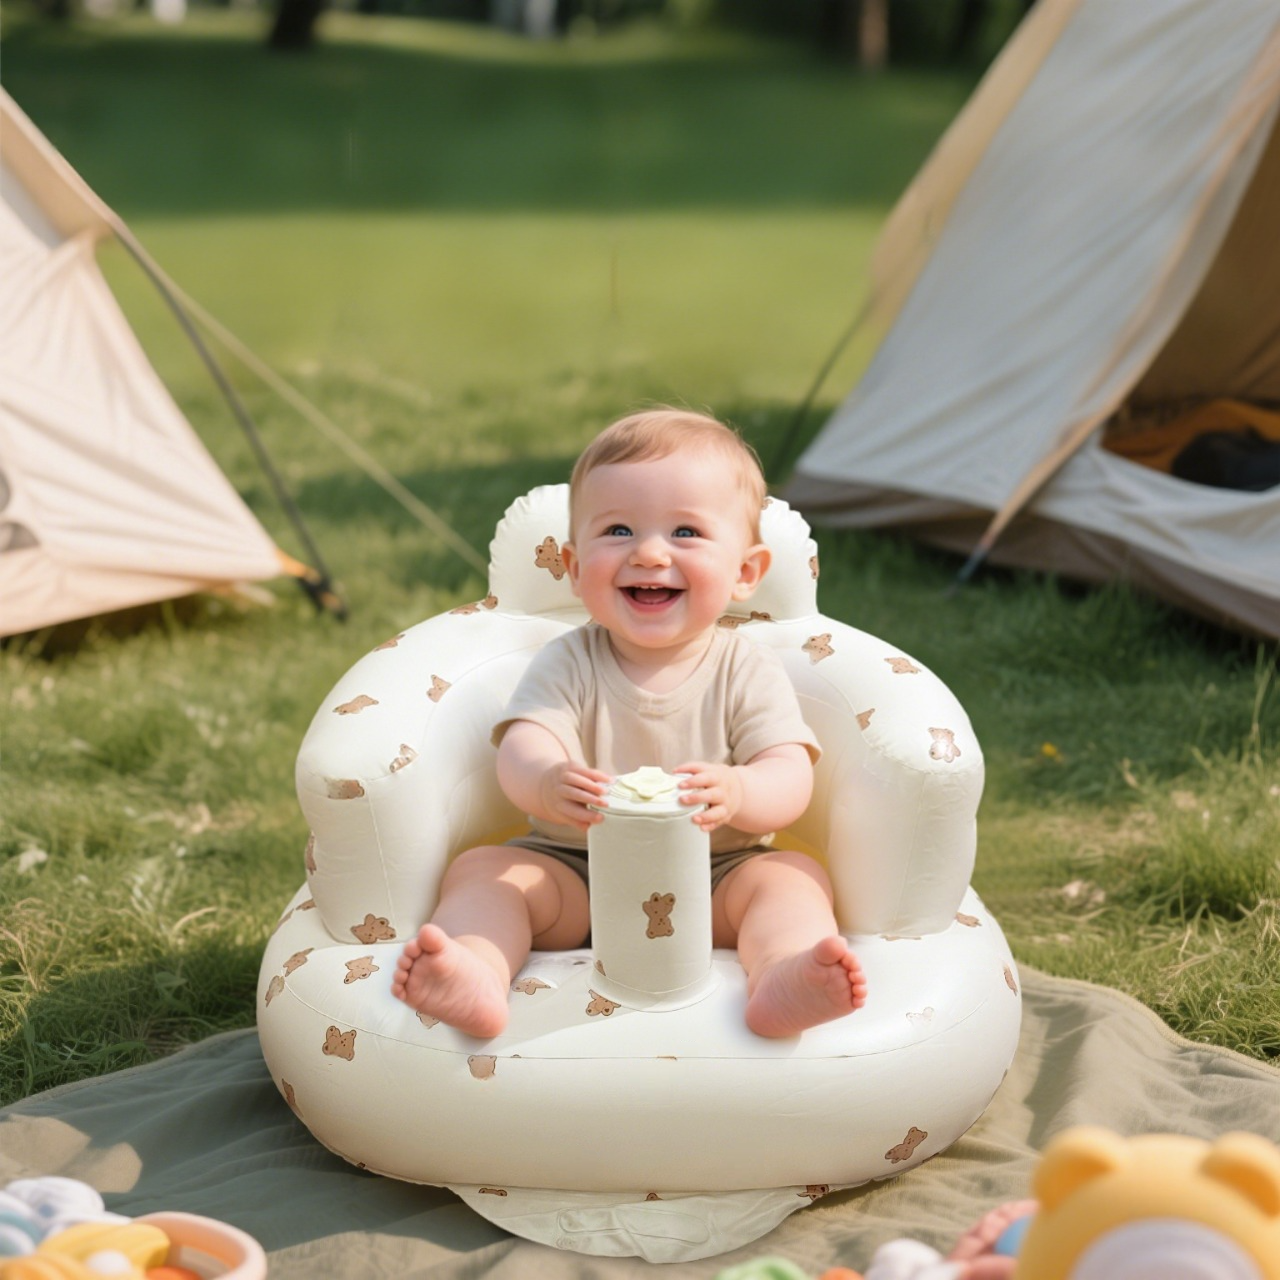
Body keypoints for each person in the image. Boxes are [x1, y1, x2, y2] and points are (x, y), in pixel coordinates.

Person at [391, 408, 867, 1038]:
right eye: (617, 529)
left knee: (791, 880)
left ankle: (783, 975)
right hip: (571, 872)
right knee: (483, 874)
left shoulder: (744, 668)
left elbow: (788, 773)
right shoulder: (567, 660)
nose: (648, 553)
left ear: (746, 573)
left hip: (715, 876)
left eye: (686, 533)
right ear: (573, 563)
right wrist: (548, 780)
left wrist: (741, 791)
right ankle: (476, 970)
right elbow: (525, 746)